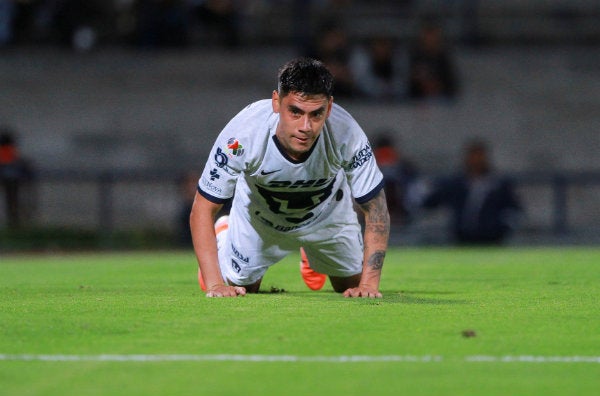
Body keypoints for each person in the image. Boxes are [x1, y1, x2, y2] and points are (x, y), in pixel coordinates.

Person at [189, 57, 390, 298]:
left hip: (327, 216)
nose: (306, 126)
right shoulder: (242, 135)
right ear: (276, 102)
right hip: (261, 220)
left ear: (330, 107)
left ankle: (312, 253)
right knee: (245, 287)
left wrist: (368, 286)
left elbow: (377, 208)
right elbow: (202, 208)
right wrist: (215, 284)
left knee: (349, 285)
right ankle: (225, 232)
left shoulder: (347, 134)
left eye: (316, 114)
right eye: (295, 111)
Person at [420, 139, 522, 245]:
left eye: (479, 156)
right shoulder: (456, 183)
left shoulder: (498, 183)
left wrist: (503, 227)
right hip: (461, 237)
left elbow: (513, 208)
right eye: (473, 156)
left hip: (492, 238)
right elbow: (432, 201)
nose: (476, 160)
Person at [407, 19, 458, 101]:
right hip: (418, 100)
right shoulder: (415, 57)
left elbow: (452, 84)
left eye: (432, 36)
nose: (430, 39)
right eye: (427, 36)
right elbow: (409, 82)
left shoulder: (444, 59)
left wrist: (438, 87)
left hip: (442, 100)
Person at [0, 128, 33, 229]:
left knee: (12, 202)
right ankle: (14, 221)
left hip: (9, 179)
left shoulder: (6, 151)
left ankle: (14, 221)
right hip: (13, 179)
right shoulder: (11, 151)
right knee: (13, 202)